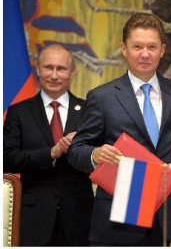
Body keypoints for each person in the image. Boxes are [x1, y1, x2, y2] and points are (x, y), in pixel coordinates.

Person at [67, 13, 171, 246]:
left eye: (152, 47)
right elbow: (76, 149)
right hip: (117, 221)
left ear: (162, 50)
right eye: (137, 46)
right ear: (124, 49)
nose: (145, 54)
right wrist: (94, 154)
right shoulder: (101, 97)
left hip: (165, 219)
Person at [3, 44, 94, 246]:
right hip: (33, 218)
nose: (54, 75)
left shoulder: (88, 111)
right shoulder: (19, 112)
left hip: (79, 218)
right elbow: (6, 159)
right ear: (37, 69)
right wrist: (50, 153)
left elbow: (98, 159)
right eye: (48, 67)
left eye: (61, 68)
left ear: (72, 72)